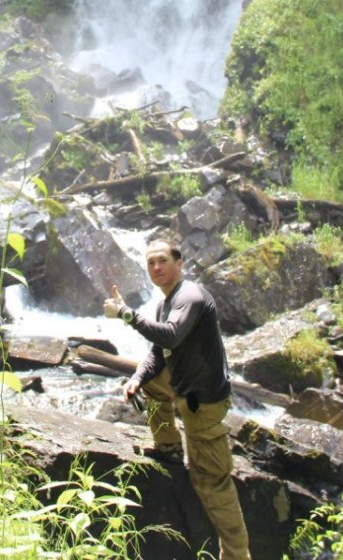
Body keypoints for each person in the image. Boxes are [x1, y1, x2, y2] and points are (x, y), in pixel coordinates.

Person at [103, 238, 251, 560]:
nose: (156, 268)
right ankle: (168, 446)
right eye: (151, 263)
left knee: (212, 483)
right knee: (154, 383)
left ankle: (237, 555)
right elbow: (159, 351)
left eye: (162, 261)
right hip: (184, 384)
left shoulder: (190, 296)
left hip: (204, 400)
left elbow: (170, 334)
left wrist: (126, 314)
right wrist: (138, 377)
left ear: (179, 262)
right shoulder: (164, 303)